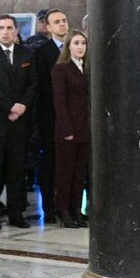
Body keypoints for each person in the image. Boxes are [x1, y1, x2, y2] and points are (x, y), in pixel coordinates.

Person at [0, 15, 37, 229]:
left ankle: (16, 212)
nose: (5, 32)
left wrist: (21, 106)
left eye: (9, 28)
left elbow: (33, 84)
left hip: (19, 122)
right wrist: (10, 106)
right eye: (1, 28)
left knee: (16, 169)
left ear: (15, 31)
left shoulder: (26, 53)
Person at [33, 8, 70, 220]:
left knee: (69, 163)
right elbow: (43, 87)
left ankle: (67, 205)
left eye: (64, 20)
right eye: (57, 22)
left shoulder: (76, 47)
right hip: (50, 116)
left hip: (74, 115)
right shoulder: (42, 52)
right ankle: (48, 207)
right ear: (48, 27)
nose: (62, 24)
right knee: (50, 162)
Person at [51, 30, 90, 228]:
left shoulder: (88, 68)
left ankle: (76, 209)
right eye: (76, 43)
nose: (80, 47)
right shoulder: (61, 69)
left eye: (83, 43)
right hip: (68, 129)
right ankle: (64, 210)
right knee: (65, 173)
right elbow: (60, 102)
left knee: (80, 173)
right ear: (69, 47)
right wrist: (67, 129)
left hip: (85, 129)